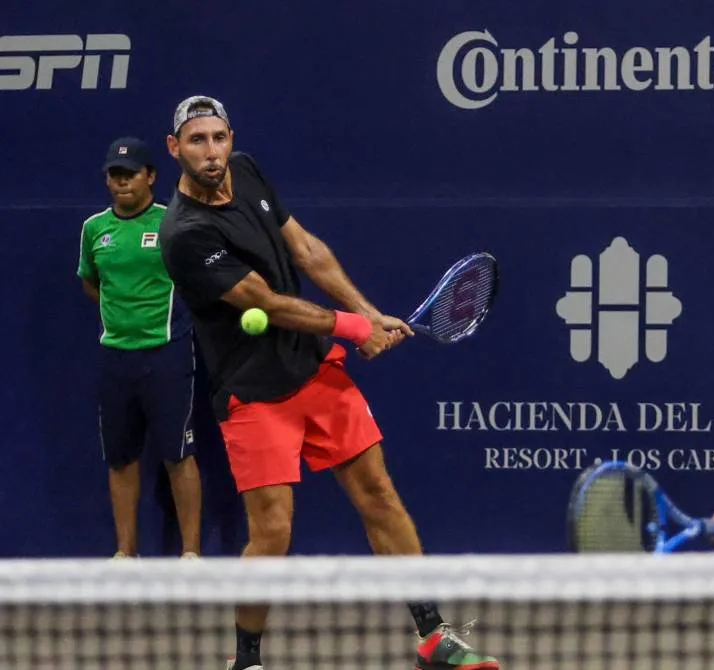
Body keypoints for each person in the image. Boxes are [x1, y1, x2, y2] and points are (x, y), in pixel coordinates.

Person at [158, 96, 501, 670]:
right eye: (197, 140)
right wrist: (354, 327)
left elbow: (307, 250)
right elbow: (267, 303)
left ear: (230, 137)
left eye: (218, 137)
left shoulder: (246, 170)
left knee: (379, 495)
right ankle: (246, 659)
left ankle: (433, 636)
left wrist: (368, 310)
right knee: (272, 531)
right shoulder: (184, 234)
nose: (211, 151)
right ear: (175, 148)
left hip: (314, 370)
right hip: (252, 394)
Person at [77, 137, 203, 559]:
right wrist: (121, 315)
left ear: (150, 176)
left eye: (129, 174)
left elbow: (196, 280)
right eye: (114, 175)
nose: (121, 182)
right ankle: (125, 555)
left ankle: (190, 555)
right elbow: (91, 283)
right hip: (115, 357)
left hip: (167, 353)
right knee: (120, 458)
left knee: (178, 455)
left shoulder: (172, 223)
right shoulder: (94, 229)